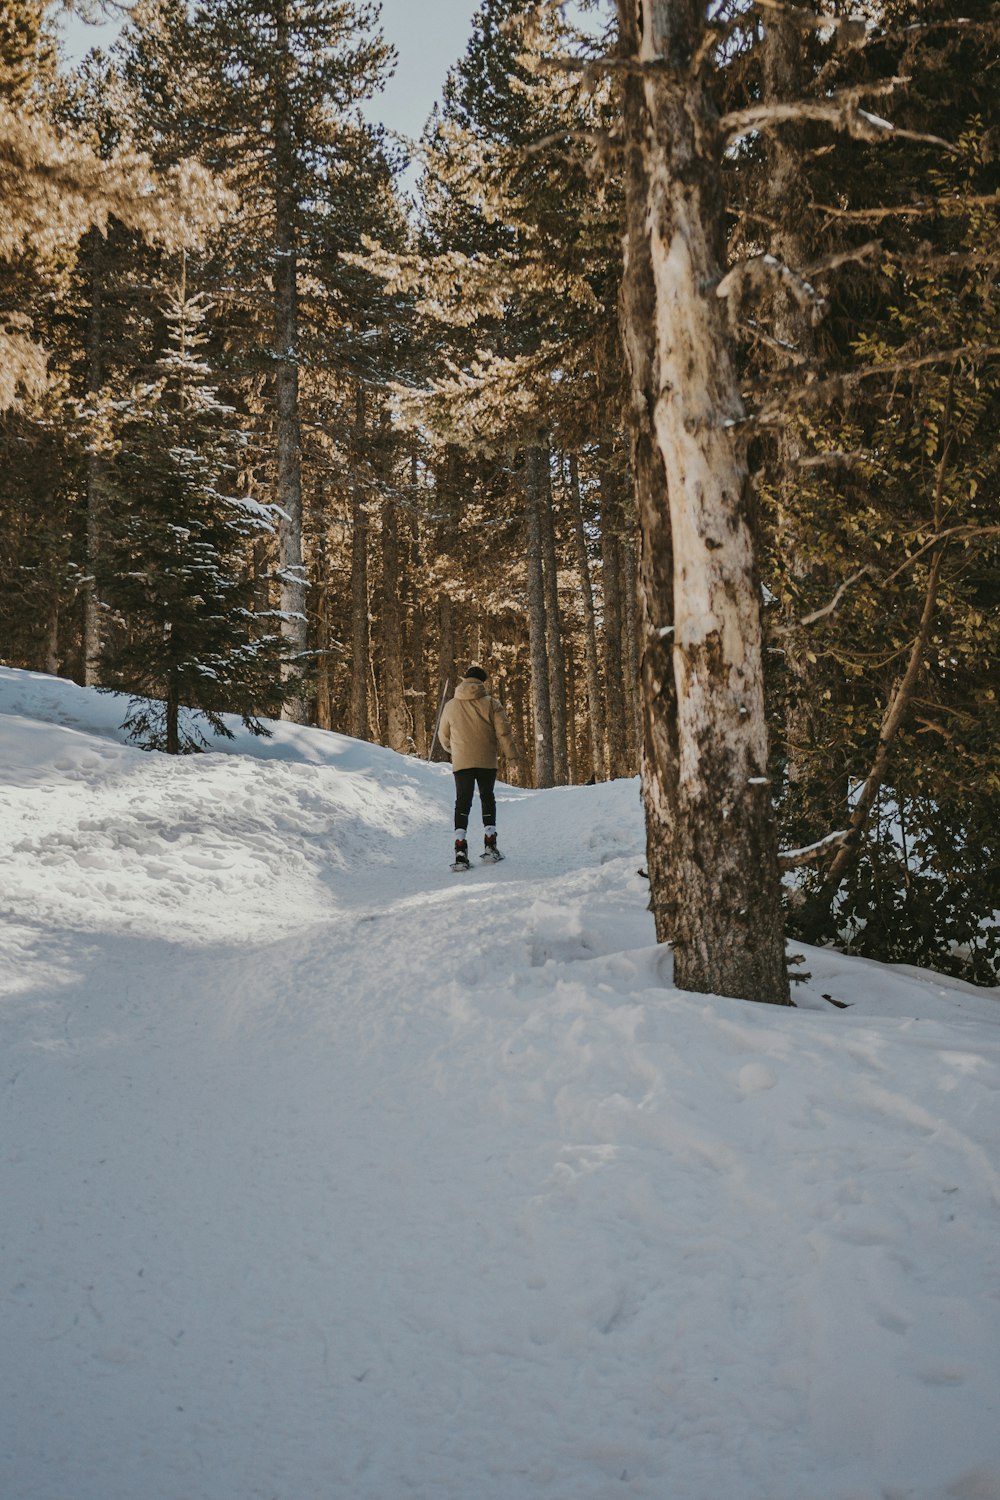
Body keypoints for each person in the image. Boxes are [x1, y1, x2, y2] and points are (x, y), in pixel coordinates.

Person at [438, 664, 520, 869]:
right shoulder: (491, 703)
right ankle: (490, 844)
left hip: (462, 761)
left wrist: (454, 750)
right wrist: (512, 756)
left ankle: (460, 849)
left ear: (464, 680)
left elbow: (443, 735)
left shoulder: (451, 705)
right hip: (486, 760)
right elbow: (504, 732)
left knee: (463, 802)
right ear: (482, 682)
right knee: (487, 797)